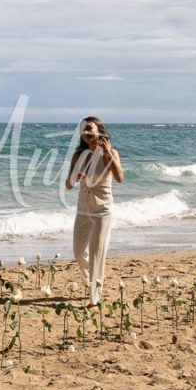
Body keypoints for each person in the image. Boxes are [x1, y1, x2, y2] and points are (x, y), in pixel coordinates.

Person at [65, 116, 124, 306]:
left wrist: (107, 152)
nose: (86, 133)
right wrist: (76, 177)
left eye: (90, 129)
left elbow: (120, 178)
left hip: (102, 210)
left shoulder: (111, 152)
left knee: (97, 254)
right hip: (83, 209)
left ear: (99, 131)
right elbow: (68, 184)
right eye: (83, 130)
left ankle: (94, 298)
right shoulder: (78, 156)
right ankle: (93, 279)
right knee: (78, 251)